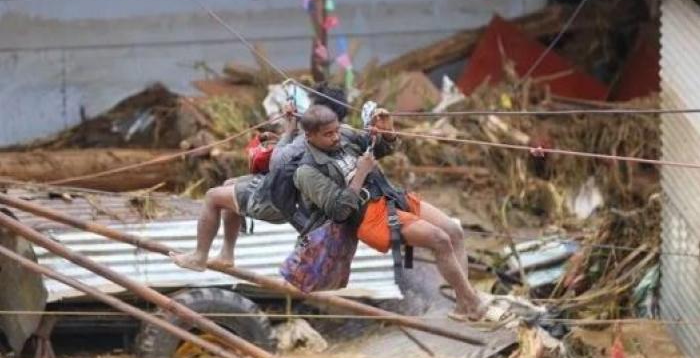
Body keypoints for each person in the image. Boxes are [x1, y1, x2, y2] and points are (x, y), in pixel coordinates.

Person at [292, 104, 486, 321]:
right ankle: (474, 302)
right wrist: (360, 173)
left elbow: (380, 149)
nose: (336, 137)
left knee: (453, 230)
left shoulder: (344, 136)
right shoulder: (307, 171)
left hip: (391, 195)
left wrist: (387, 132)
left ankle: (463, 305)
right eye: (328, 134)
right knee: (440, 240)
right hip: (369, 217)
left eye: (336, 130)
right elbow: (339, 211)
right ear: (309, 136)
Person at [169, 84, 348, 271]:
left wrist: (288, 131)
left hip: (276, 200)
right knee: (229, 185)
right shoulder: (337, 135)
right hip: (294, 198)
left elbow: (277, 163)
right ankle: (226, 254)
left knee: (212, 197)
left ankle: (199, 257)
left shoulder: (311, 136)